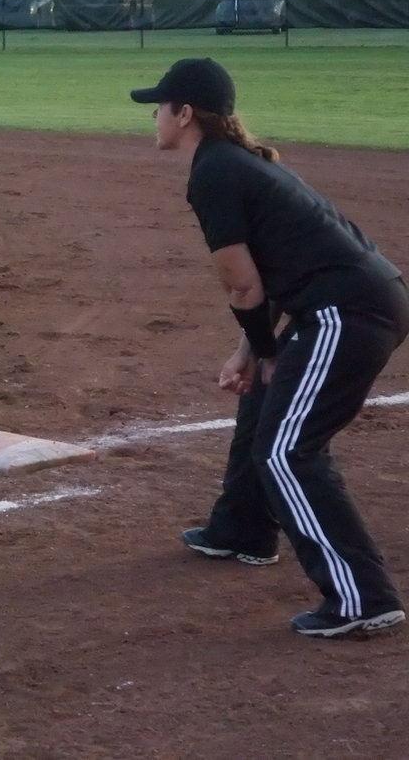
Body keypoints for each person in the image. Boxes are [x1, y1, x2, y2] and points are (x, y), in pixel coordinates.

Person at [130, 57, 409, 638]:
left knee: (288, 451)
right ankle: (242, 530)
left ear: (185, 114)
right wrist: (250, 351)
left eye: (159, 106)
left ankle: (363, 598)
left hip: (349, 311)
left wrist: (265, 347)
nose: (153, 116)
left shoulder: (214, 172)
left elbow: (242, 283)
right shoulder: (234, 163)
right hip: (347, 301)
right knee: (263, 400)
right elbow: (271, 272)